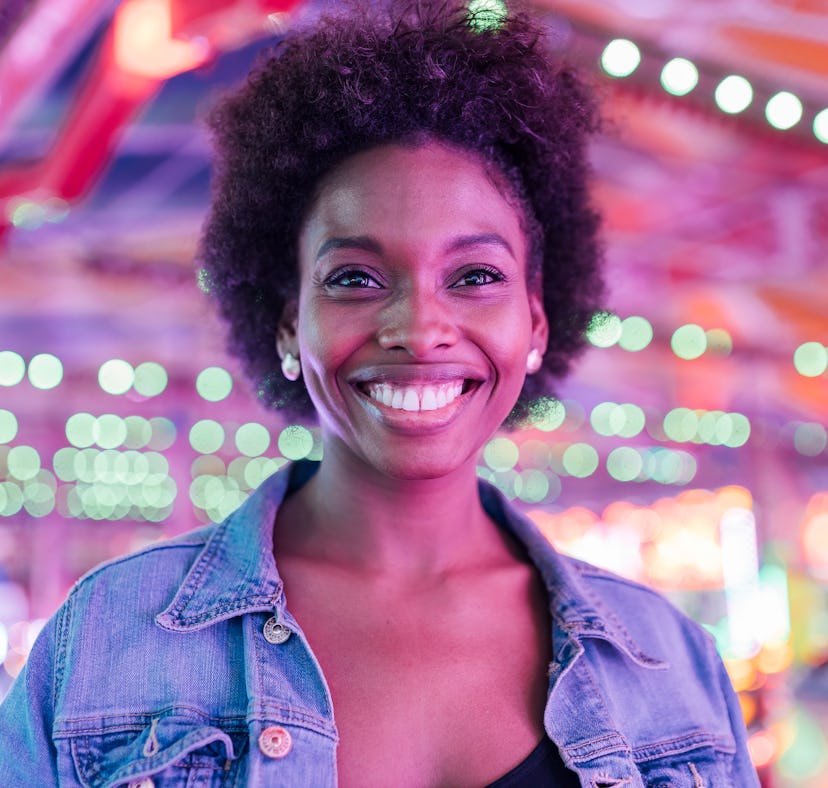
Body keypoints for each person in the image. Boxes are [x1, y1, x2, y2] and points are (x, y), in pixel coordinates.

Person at [0, 1, 759, 785]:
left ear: (536, 322)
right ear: (289, 322)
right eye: (355, 278)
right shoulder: (102, 645)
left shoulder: (672, 666)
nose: (420, 327)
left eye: (474, 277)